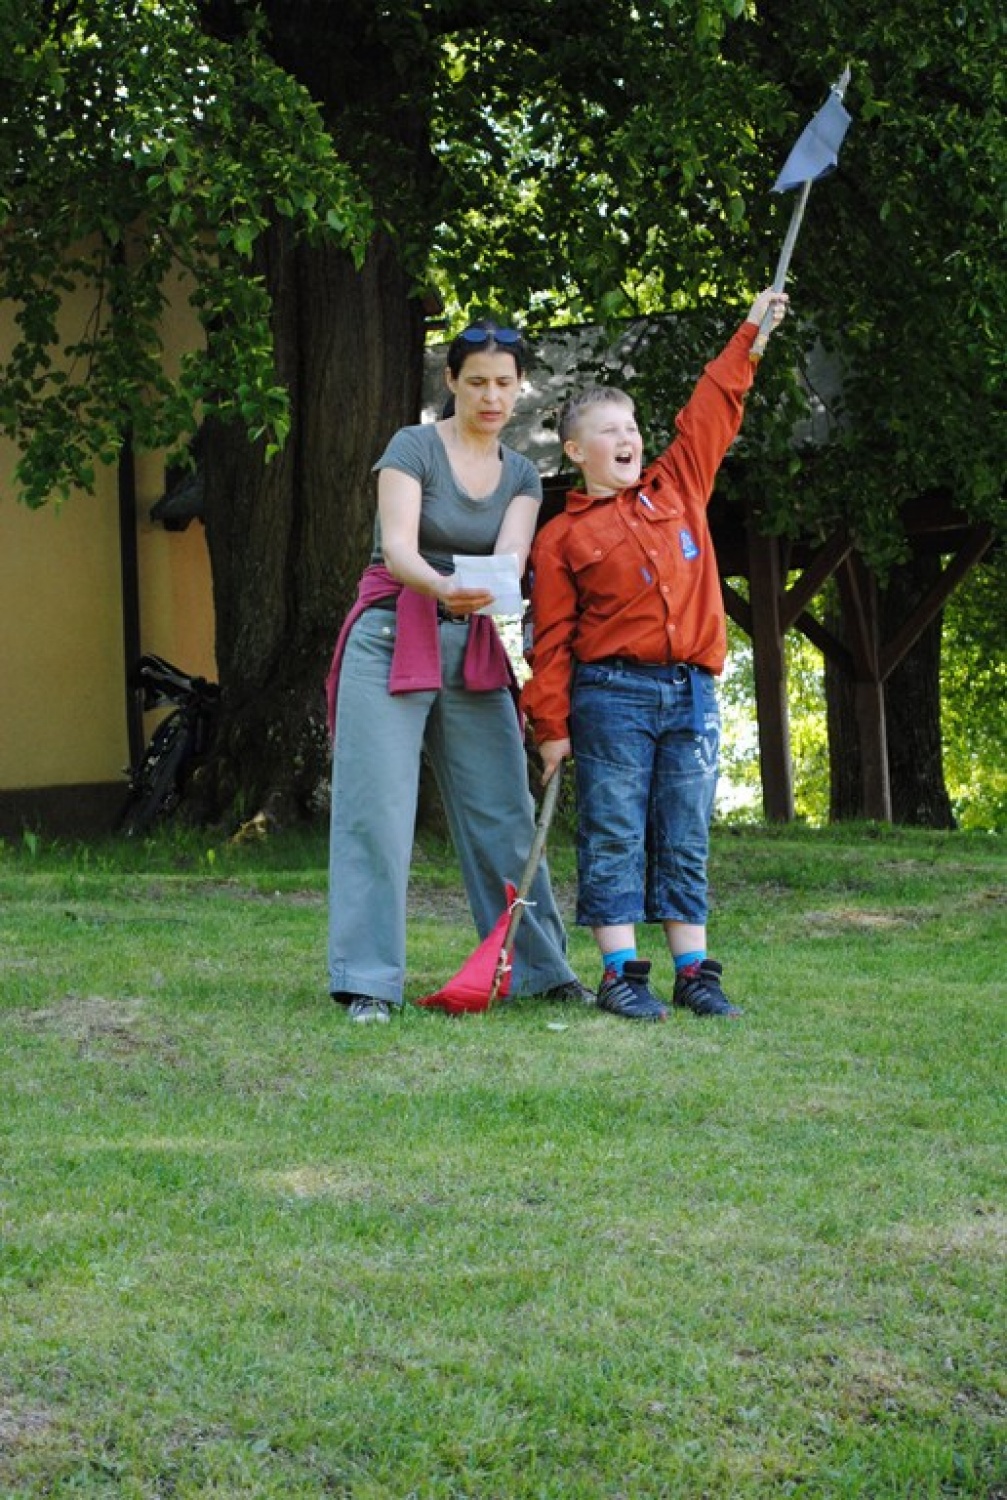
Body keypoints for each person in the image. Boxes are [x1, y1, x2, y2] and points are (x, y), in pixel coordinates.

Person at [521, 289, 789, 1022]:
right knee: (612, 830)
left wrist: (751, 334)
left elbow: (712, 404)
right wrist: (549, 726)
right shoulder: (561, 539)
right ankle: (618, 973)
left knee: (684, 830)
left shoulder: (679, 487)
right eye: (608, 429)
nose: (627, 436)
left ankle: (694, 972)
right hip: (609, 695)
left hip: (692, 692)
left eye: (632, 425)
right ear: (576, 451)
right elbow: (548, 646)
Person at [325, 320, 591, 1023]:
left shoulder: (523, 474)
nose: (491, 396)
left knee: (504, 812)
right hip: (390, 637)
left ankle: (537, 968)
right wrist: (443, 588)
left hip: (470, 645)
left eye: (505, 383)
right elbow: (398, 550)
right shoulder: (412, 448)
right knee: (375, 815)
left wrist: (486, 593)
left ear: (519, 387)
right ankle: (366, 983)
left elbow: (507, 560)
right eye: (476, 382)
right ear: (451, 383)